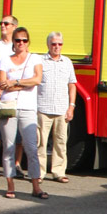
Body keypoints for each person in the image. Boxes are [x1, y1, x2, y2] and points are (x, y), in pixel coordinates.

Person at [0, 25, 46, 200]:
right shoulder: (5, 60)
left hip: (28, 107)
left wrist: (15, 82)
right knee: (8, 146)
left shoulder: (35, 58)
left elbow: (37, 79)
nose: (21, 43)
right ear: (13, 43)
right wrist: (24, 84)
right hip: (8, 106)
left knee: (31, 147)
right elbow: (2, 84)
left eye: (24, 40)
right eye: (17, 40)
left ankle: (36, 186)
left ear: (28, 42)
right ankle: (10, 185)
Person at [36, 32, 78, 183]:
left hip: (61, 109)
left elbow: (72, 85)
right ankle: (39, 173)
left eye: (60, 44)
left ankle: (59, 172)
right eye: (54, 44)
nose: (56, 47)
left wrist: (71, 106)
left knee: (60, 142)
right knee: (40, 143)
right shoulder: (39, 61)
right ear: (48, 44)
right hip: (43, 108)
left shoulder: (67, 62)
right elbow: (34, 83)